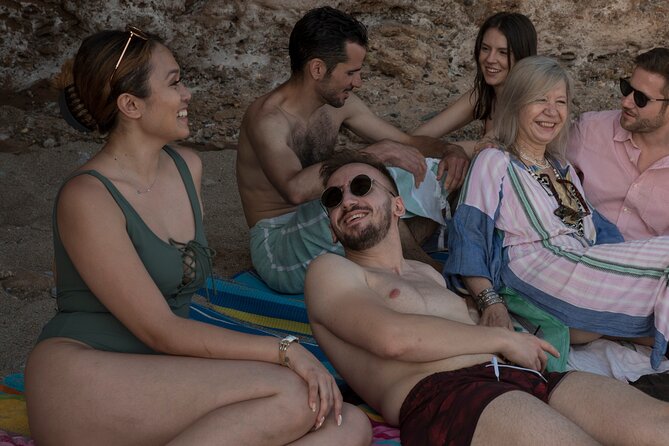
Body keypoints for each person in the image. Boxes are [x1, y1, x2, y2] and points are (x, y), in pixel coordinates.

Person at [24, 26, 371, 445]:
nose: (188, 93)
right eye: (174, 83)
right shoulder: (87, 196)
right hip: (85, 377)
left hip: (163, 375)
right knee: (297, 396)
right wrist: (286, 349)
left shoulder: (188, 167)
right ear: (131, 104)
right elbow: (161, 330)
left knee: (346, 423)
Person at [305, 148, 669, 446]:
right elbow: (393, 339)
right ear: (332, 229)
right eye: (334, 198)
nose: (348, 200)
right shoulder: (330, 271)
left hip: (519, 376)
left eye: (362, 186)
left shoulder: (428, 274)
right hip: (446, 396)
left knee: (659, 425)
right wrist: (503, 338)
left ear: (399, 206)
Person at [443, 55, 669, 370]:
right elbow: (469, 234)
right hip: (537, 271)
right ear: (516, 104)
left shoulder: (563, 169)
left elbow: (599, 231)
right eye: (540, 100)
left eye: (560, 102)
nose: (552, 111)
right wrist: (489, 301)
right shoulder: (496, 161)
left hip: (582, 272)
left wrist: (629, 262)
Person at [237, 6, 469, 294]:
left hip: (330, 227)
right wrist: (375, 154)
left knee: (434, 169)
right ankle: (426, 271)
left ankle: (404, 255)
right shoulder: (268, 119)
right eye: (351, 72)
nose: (358, 82)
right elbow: (294, 189)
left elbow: (405, 143)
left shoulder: (340, 105)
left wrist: (450, 150)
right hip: (281, 247)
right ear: (318, 69)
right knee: (358, 189)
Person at [567, 47, 669, 240]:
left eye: (641, 98)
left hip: (649, 266)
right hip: (585, 255)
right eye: (627, 89)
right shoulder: (590, 130)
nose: (626, 102)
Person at [413, 12, 537, 154]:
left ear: (522, 57)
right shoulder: (484, 95)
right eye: (485, 49)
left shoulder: (531, 103)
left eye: (503, 52)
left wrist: (444, 149)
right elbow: (418, 137)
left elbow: (487, 148)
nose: (490, 59)